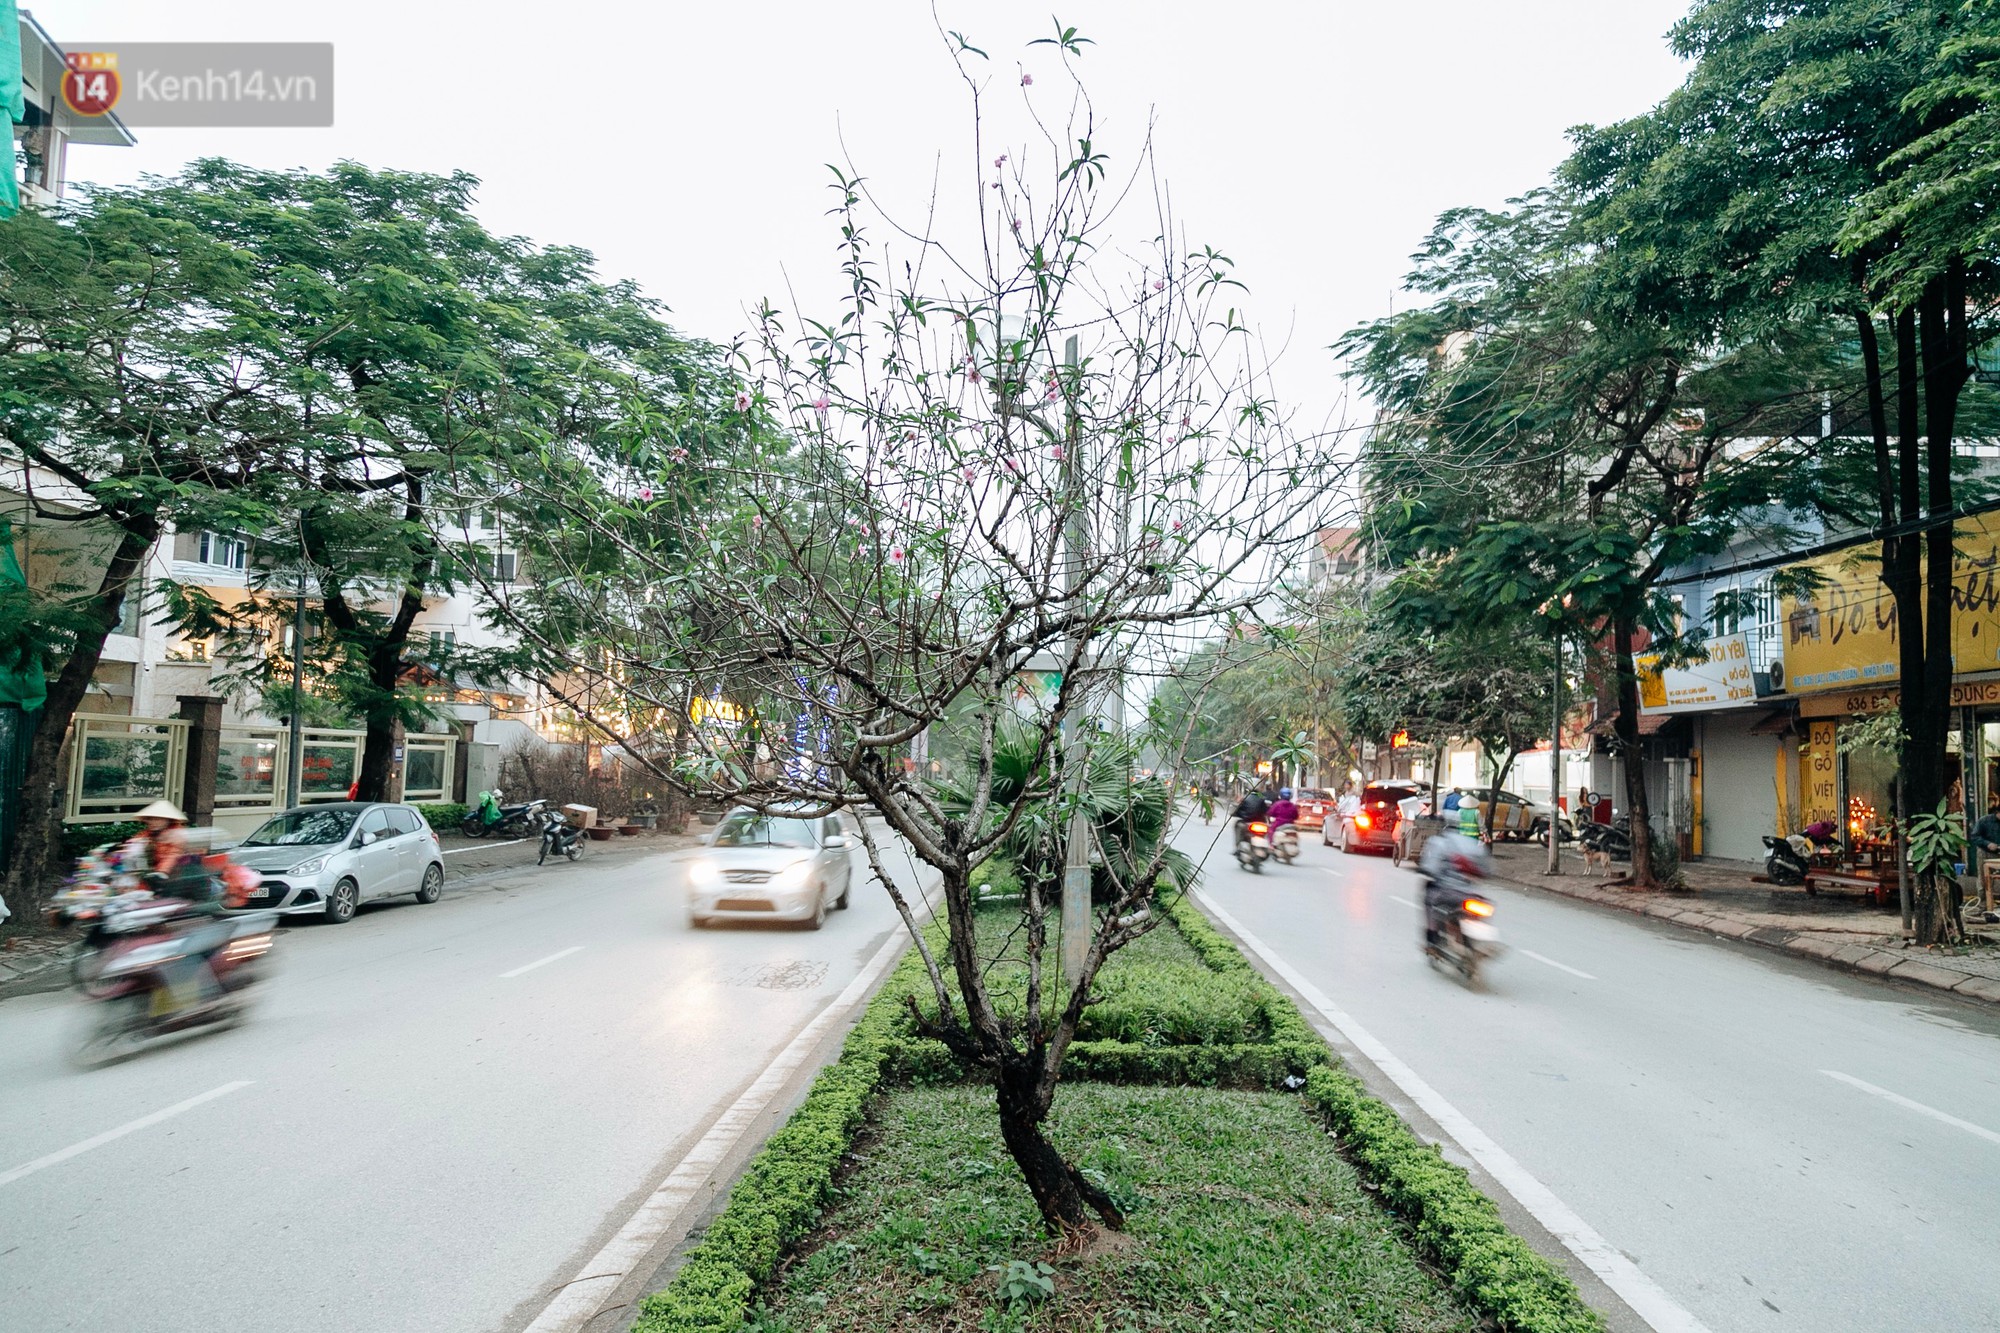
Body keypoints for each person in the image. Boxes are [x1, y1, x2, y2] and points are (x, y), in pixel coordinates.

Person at [1417, 830, 1492, 950]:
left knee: (1429, 900)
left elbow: (1430, 868)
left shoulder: (1440, 843)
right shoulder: (1474, 845)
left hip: (1447, 892)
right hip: (1472, 894)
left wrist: (1425, 870)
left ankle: (1432, 938)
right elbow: (1488, 871)